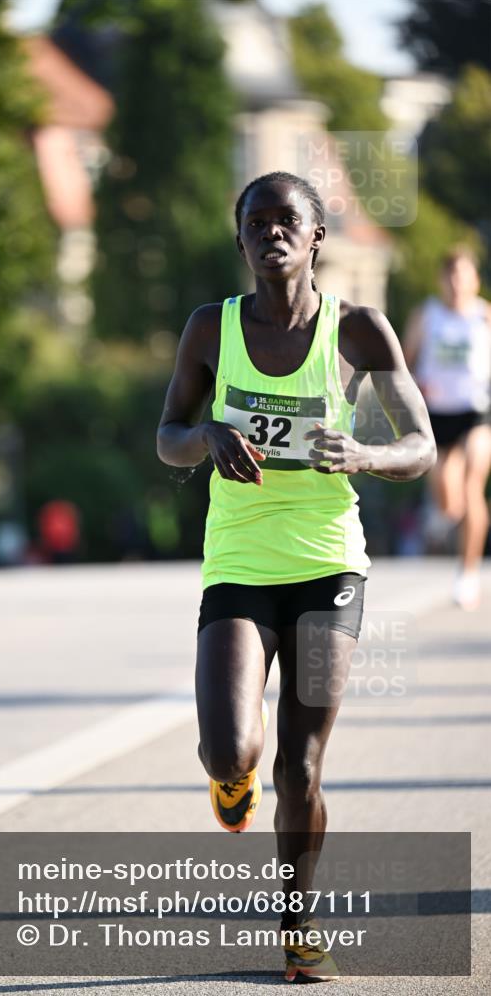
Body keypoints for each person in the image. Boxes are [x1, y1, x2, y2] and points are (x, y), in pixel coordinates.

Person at [156, 171, 435, 982]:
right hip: (239, 565)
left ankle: (297, 920)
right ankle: (227, 781)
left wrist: (366, 453)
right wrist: (206, 436)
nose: (272, 233)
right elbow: (167, 434)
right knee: (229, 751)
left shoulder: (358, 332)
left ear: (316, 237)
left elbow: (419, 445)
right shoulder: (211, 329)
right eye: (257, 222)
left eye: (289, 221)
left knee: (300, 764)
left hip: (326, 567)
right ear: (238, 239)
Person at [403, 247, 491, 610]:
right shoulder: (426, 316)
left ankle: (468, 573)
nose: (457, 284)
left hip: (476, 412)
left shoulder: (485, 317)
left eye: (463, 276)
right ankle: (444, 514)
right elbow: (401, 366)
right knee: (449, 501)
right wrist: (413, 390)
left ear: (475, 280)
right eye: (451, 276)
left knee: (473, 487)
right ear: (442, 280)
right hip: (435, 417)